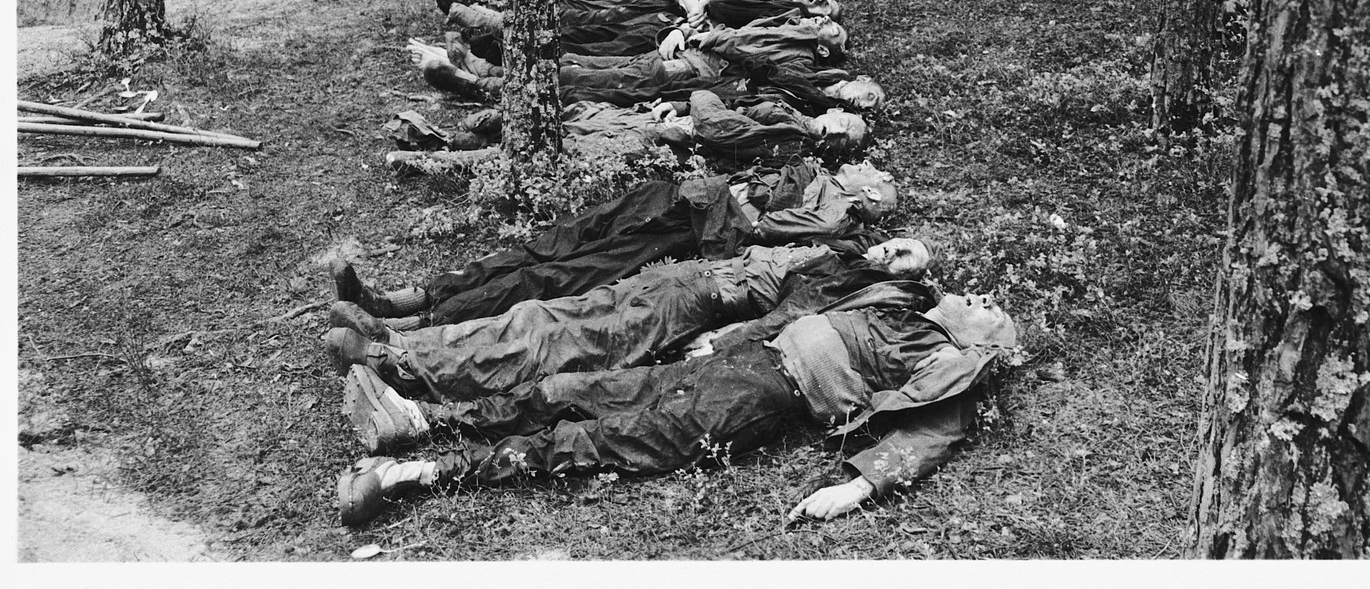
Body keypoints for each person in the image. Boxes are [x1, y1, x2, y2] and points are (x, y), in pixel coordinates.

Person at [334, 289, 1017, 526]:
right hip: (739, 361)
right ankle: (421, 422)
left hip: (761, 399)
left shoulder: (952, 369)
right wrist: (726, 337)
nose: (978, 297)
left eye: (990, 308)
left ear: (983, 342)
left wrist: (856, 486)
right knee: (568, 390)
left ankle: (410, 477)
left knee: (592, 440)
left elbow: (929, 437)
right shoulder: (909, 310)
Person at [322, 238, 933, 405]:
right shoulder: (842, 247)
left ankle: (404, 366)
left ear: (901, 278)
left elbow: (791, 314)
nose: (889, 252)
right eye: (895, 244)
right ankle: (406, 339)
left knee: (555, 341)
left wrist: (724, 339)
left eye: (902, 258)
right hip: (671, 279)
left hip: (690, 307)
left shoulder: (849, 283)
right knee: (539, 312)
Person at [331, 160, 901, 328]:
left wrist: (729, 200)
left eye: (869, 170)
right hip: (681, 201)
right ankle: (409, 295)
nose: (861, 163)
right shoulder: (820, 177)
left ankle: (413, 324)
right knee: (554, 242)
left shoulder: (840, 213)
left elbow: (763, 231)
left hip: (696, 230)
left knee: (559, 276)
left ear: (871, 194)